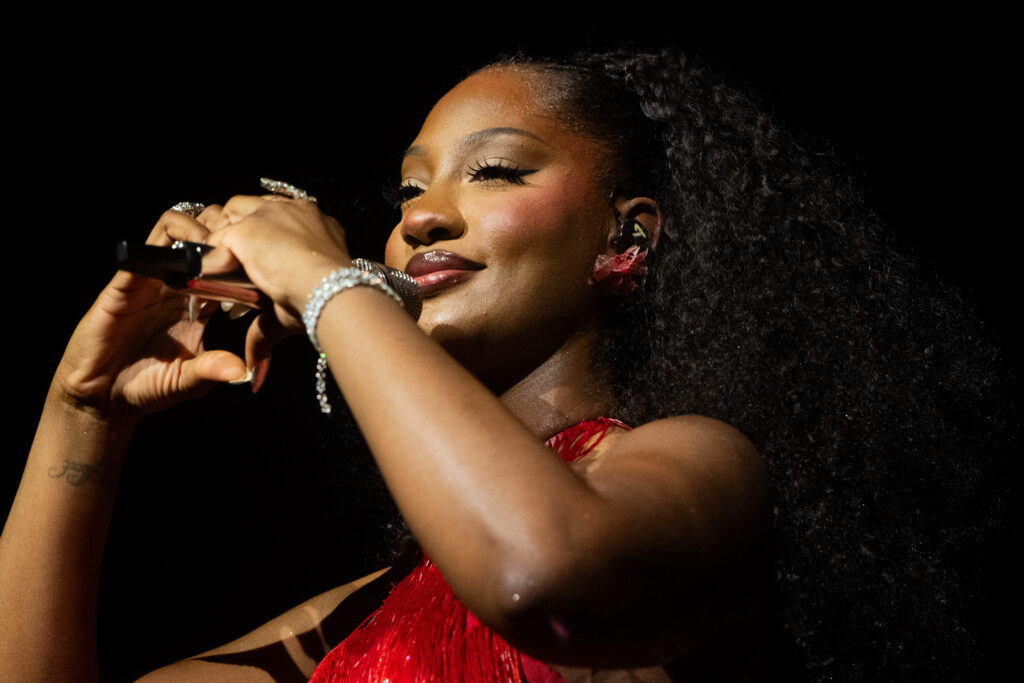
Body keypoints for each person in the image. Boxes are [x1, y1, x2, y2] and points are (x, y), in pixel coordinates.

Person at [0, 48, 1010, 682]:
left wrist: (320, 277)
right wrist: (81, 412)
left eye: (494, 169)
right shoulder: (365, 609)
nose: (419, 214)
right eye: (405, 189)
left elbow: (540, 574)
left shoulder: (701, 470)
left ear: (627, 241)